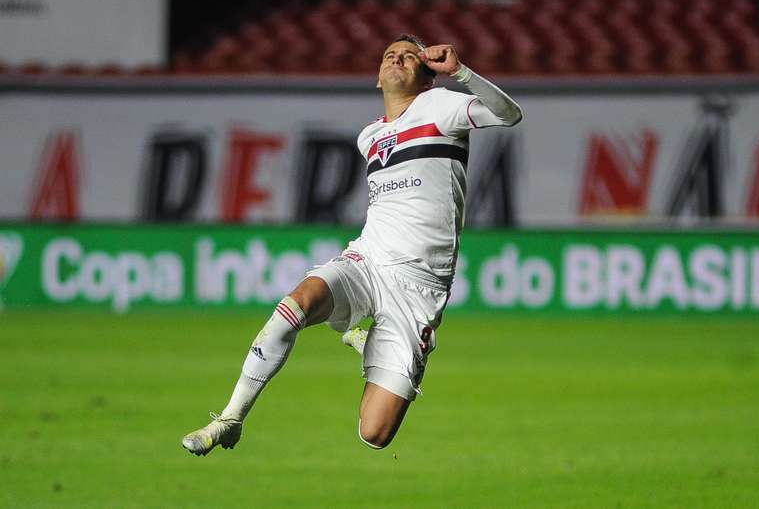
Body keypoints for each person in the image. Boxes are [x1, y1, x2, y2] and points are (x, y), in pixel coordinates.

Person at [182, 34, 523, 454]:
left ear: (426, 76)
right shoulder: (370, 137)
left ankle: (363, 335)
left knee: (374, 434)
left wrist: (461, 74)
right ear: (378, 79)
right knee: (296, 305)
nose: (396, 59)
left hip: (418, 286)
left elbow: (509, 115)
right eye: (388, 56)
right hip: (366, 260)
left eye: (408, 56)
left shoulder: (443, 106)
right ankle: (231, 418)